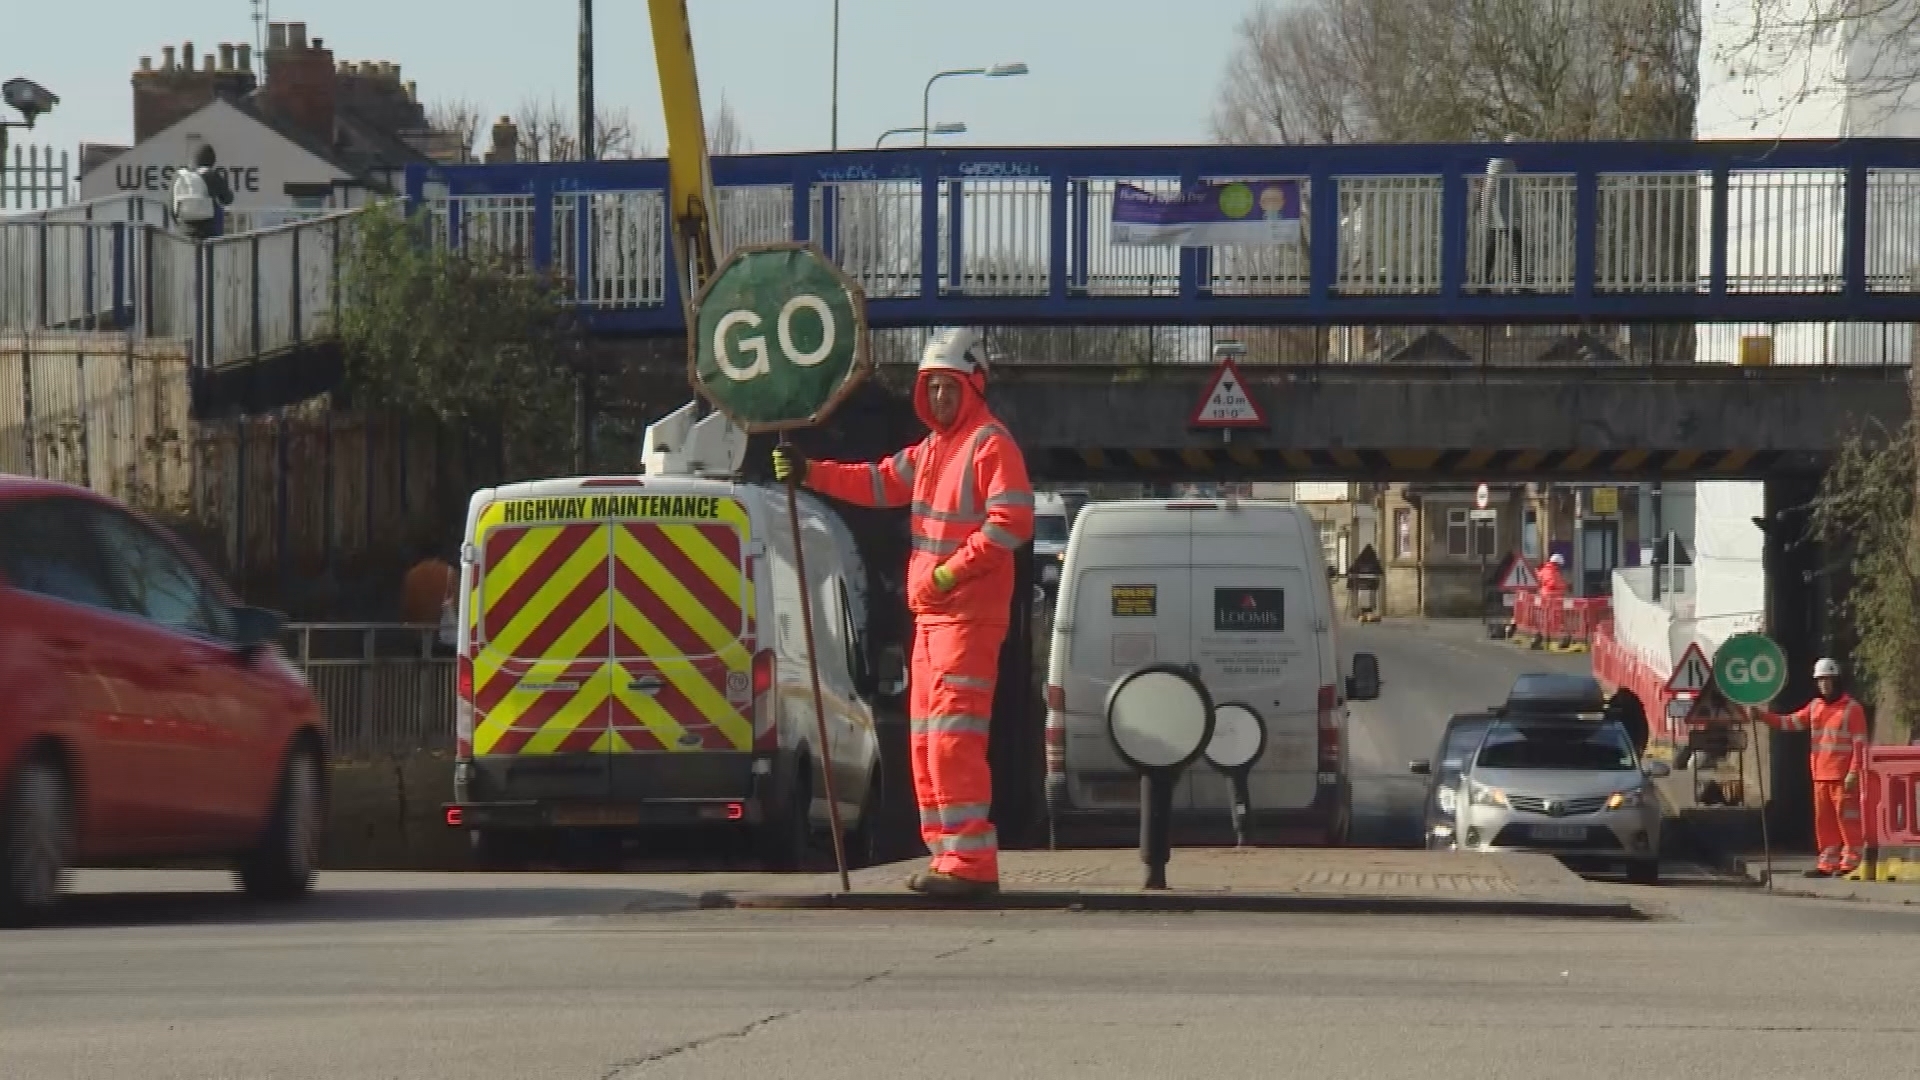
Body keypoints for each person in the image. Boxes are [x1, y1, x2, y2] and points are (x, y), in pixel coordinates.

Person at [773, 327, 1034, 899]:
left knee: (951, 740)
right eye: (932, 387)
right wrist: (810, 472)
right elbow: (876, 481)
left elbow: (1012, 523)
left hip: (965, 616)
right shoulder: (934, 451)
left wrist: (950, 572)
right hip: (935, 617)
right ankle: (949, 857)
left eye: (950, 388)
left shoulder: (990, 444)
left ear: (974, 387)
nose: (939, 398)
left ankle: (969, 863)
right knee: (924, 742)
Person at [1750, 658, 1870, 877]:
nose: (1824, 684)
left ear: (1837, 681)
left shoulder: (1852, 709)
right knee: (1824, 824)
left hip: (1843, 777)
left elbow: (1860, 744)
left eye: (1828, 680)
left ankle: (1851, 862)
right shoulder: (1815, 707)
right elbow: (1789, 722)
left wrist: (1854, 772)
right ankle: (1827, 863)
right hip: (1821, 776)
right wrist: (1762, 716)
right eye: (1820, 680)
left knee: (1848, 821)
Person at [171, 144, 234, 241]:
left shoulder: (178, 176)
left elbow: (171, 206)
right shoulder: (211, 175)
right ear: (212, 161)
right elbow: (228, 199)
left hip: (183, 233)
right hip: (208, 232)